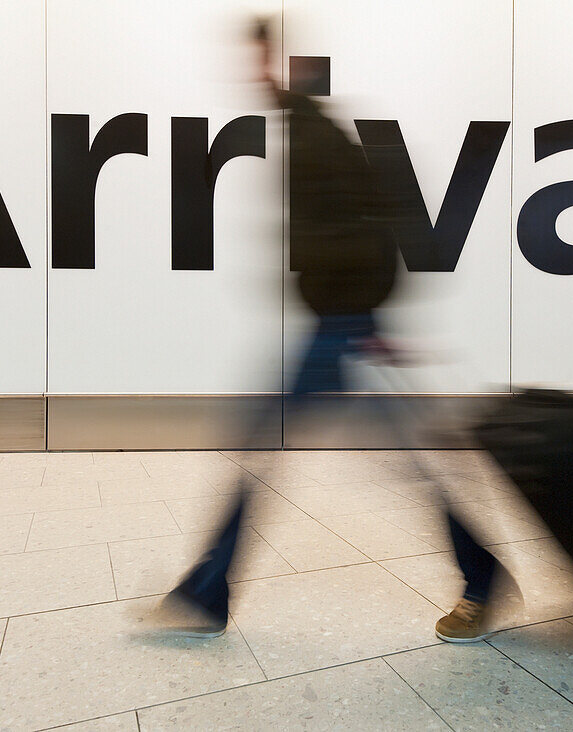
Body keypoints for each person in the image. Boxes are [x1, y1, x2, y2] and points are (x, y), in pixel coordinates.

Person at [151, 18, 507, 644]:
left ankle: (209, 592)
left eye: (258, 60)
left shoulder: (318, 138)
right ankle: (482, 575)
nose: (249, 73)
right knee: (380, 460)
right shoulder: (309, 130)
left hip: (341, 328)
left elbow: (367, 227)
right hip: (343, 323)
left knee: (266, 449)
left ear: (281, 64)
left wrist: (365, 319)